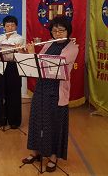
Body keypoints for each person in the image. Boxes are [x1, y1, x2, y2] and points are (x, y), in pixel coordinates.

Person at [21, 16, 79, 172]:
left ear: (68, 31)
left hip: (56, 90)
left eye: (61, 30)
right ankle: (36, 151)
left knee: (54, 123)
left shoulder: (73, 48)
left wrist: (34, 55)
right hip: (42, 87)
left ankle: (53, 156)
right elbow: (37, 66)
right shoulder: (48, 44)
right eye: (54, 30)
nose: (58, 33)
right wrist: (25, 53)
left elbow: (50, 64)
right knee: (36, 119)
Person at [0, 15, 23, 129]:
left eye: (12, 25)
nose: (10, 27)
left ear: (16, 26)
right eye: (7, 25)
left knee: (14, 93)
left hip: (13, 67)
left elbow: (8, 48)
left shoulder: (19, 38)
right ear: (4, 27)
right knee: (0, 92)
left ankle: (14, 121)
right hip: (1, 66)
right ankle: (0, 119)